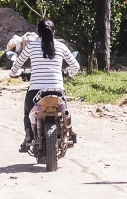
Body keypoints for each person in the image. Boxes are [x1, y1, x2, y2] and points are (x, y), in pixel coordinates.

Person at [9, 19, 80, 153]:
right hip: (57, 89)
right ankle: (70, 130)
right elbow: (76, 66)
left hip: (36, 90)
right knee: (65, 108)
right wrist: (69, 74)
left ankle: (28, 135)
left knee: (26, 111)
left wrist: (14, 73)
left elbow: (17, 65)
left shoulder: (31, 46)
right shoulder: (61, 46)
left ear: (38, 32)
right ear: (54, 32)